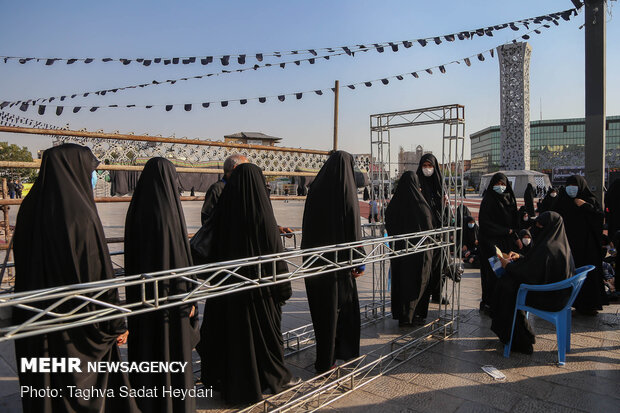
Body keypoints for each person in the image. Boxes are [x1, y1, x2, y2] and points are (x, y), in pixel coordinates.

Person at [13, 144, 139, 413]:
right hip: (77, 328)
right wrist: (116, 324)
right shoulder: (80, 215)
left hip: (37, 320)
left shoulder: (29, 208)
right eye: (91, 171)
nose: (93, 177)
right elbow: (97, 275)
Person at [200, 163, 298, 404]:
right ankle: (271, 378)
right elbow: (275, 252)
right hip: (259, 293)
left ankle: (232, 385)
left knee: (232, 339)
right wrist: (283, 288)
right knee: (264, 338)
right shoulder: (262, 212)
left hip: (228, 290)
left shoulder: (223, 212)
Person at [124, 157, 198, 413]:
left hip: (143, 299)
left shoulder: (135, 210)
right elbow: (179, 258)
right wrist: (190, 297)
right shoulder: (168, 211)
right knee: (171, 350)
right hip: (170, 299)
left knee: (147, 348)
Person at [302, 151, 364, 373]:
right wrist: (359, 259)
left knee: (322, 314)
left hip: (314, 263)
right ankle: (332, 359)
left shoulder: (316, 188)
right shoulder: (345, 189)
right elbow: (353, 226)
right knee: (340, 311)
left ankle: (325, 359)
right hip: (337, 265)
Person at [491, 211, 575, 354]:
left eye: (540, 225)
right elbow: (537, 265)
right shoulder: (559, 243)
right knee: (508, 285)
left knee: (507, 289)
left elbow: (529, 274)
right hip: (559, 292)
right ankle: (516, 334)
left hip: (549, 296)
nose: (537, 228)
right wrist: (520, 257)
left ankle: (521, 339)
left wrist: (507, 265)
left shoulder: (548, 248)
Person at [552, 175, 607, 315]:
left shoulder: (590, 201)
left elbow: (599, 218)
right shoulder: (562, 201)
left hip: (588, 247)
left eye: (575, 185)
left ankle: (590, 305)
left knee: (588, 276)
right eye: (569, 185)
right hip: (567, 246)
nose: (571, 188)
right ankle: (570, 303)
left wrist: (585, 206)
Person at [385, 171, 434, 326]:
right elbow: (429, 227)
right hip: (418, 253)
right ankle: (413, 315)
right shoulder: (420, 205)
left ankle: (402, 315)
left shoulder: (394, 203)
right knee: (416, 282)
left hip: (399, 252)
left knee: (400, 282)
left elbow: (389, 224)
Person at [478, 173, 520, 313]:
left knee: (506, 273)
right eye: (497, 184)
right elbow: (485, 224)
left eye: (503, 184)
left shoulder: (510, 200)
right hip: (490, 244)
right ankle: (489, 303)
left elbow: (515, 223)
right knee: (492, 274)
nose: (500, 187)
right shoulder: (488, 200)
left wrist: (515, 236)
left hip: (507, 244)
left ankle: (504, 302)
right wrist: (504, 231)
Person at [416, 153, 447, 304]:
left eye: (430, 166)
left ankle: (437, 293)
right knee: (424, 265)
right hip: (422, 231)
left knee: (439, 264)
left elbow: (443, 212)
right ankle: (423, 295)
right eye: (424, 166)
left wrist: (444, 203)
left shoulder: (439, 185)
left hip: (438, 230)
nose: (427, 169)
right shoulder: (416, 183)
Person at [201, 154, 248, 225]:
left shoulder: (241, 187)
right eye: (246, 169)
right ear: (235, 168)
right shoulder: (217, 189)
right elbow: (207, 217)